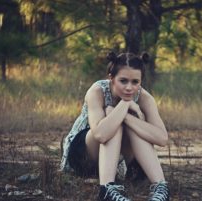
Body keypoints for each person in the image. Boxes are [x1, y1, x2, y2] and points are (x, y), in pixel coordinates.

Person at [60, 52, 170, 201]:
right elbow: (100, 134)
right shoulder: (97, 91)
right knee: (113, 125)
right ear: (111, 78)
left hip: (117, 160)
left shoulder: (145, 98)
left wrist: (125, 116)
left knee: (131, 125)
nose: (129, 88)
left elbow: (162, 138)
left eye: (135, 82)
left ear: (141, 82)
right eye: (123, 81)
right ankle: (106, 190)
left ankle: (161, 188)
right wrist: (124, 104)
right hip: (83, 154)